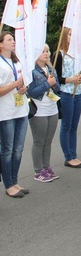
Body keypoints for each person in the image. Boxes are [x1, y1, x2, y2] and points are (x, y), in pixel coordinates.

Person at [0, 31, 29, 198]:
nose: (13, 42)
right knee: (8, 149)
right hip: (6, 112)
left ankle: (15, 180)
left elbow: (22, 84)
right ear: (1, 44)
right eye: (9, 39)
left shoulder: (17, 62)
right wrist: (15, 84)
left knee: (18, 149)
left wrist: (23, 88)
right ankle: (8, 184)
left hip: (21, 109)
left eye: (13, 39)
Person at [27, 44, 61, 182]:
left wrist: (53, 83)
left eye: (47, 51)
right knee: (39, 141)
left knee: (48, 141)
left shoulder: (50, 68)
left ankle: (46, 167)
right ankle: (38, 170)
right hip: (39, 109)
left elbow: (58, 88)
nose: (46, 54)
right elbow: (32, 92)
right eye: (42, 51)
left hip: (52, 108)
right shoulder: (31, 71)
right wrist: (47, 83)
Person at [54, 28, 81, 169]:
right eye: (70, 35)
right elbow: (57, 78)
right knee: (66, 126)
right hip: (66, 93)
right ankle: (68, 157)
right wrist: (70, 79)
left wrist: (80, 78)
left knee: (74, 126)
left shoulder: (77, 55)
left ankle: (74, 154)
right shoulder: (59, 55)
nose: (72, 37)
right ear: (65, 36)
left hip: (78, 93)